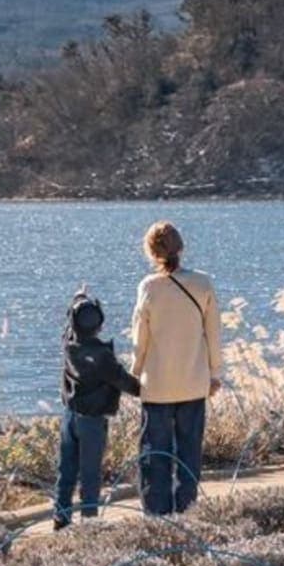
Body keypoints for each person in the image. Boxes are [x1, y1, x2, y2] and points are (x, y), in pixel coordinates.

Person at [132, 220, 222, 515]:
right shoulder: (203, 283)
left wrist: (134, 374)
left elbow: (139, 340)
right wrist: (215, 374)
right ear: (181, 248)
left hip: (156, 386)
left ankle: (157, 521)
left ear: (151, 252)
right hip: (193, 383)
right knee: (189, 456)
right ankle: (188, 514)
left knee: (154, 456)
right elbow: (213, 334)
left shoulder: (148, 287)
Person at [55, 288, 140, 529]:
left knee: (66, 471)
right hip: (92, 421)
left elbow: (69, 323)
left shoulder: (69, 345)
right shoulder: (103, 357)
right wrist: (151, 390)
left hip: (69, 416)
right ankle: (89, 523)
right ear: (99, 324)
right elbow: (127, 383)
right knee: (90, 475)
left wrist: (78, 297)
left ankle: (61, 518)